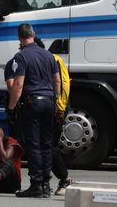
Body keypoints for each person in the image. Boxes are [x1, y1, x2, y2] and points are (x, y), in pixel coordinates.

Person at [7, 23, 61, 198]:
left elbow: (18, 84)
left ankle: (36, 184)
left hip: (33, 103)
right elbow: (57, 81)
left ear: (19, 38)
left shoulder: (21, 56)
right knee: (47, 144)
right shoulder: (49, 56)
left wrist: (11, 107)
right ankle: (46, 184)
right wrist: (56, 99)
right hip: (49, 101)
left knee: (33, 145)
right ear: (33, 34)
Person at [47, 42, 73, 196]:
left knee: (50, 146)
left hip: (57, 108)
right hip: (54, 107)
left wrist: (60, 109)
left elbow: (63, 85)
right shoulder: (50, 59)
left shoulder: (54, 59)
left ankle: (65, 179)